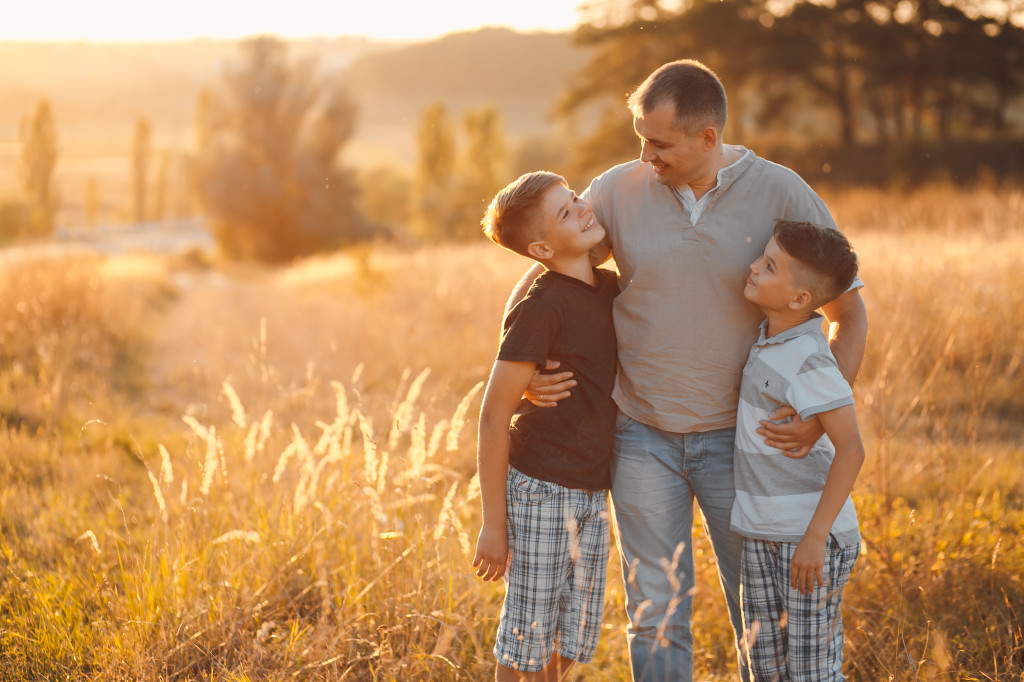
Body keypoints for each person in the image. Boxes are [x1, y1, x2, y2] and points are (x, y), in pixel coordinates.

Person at [513, 59, 868, 681]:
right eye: (640, 136)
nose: (644, 153)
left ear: (708, 139)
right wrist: (525, 370)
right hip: (640, 434)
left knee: (760, 611)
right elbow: (547, 269)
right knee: (655, 612)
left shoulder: (782, 191)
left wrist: (819, 415)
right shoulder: (619, 189)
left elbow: (849, 311)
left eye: (659, 142)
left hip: (745, 443)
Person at [472, 170, 620, 681]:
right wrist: (494, 524)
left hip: (591, 490)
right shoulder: (542, 308)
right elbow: (493, 417)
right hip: (540, 489)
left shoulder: (608, 288)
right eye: (564, 212)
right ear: (540, 247)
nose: (581, 208)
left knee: (572, 639)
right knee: (526, 641)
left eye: (575, 197)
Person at [732, 219, 865, 680]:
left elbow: (852, 450)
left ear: (800, 299)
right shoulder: (771, 338)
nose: (752, 266)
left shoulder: (809, 357)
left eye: (768, 265)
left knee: (810, 672)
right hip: (762, 531)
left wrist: (814, 538)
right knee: (763, 666)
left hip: (809, 540)